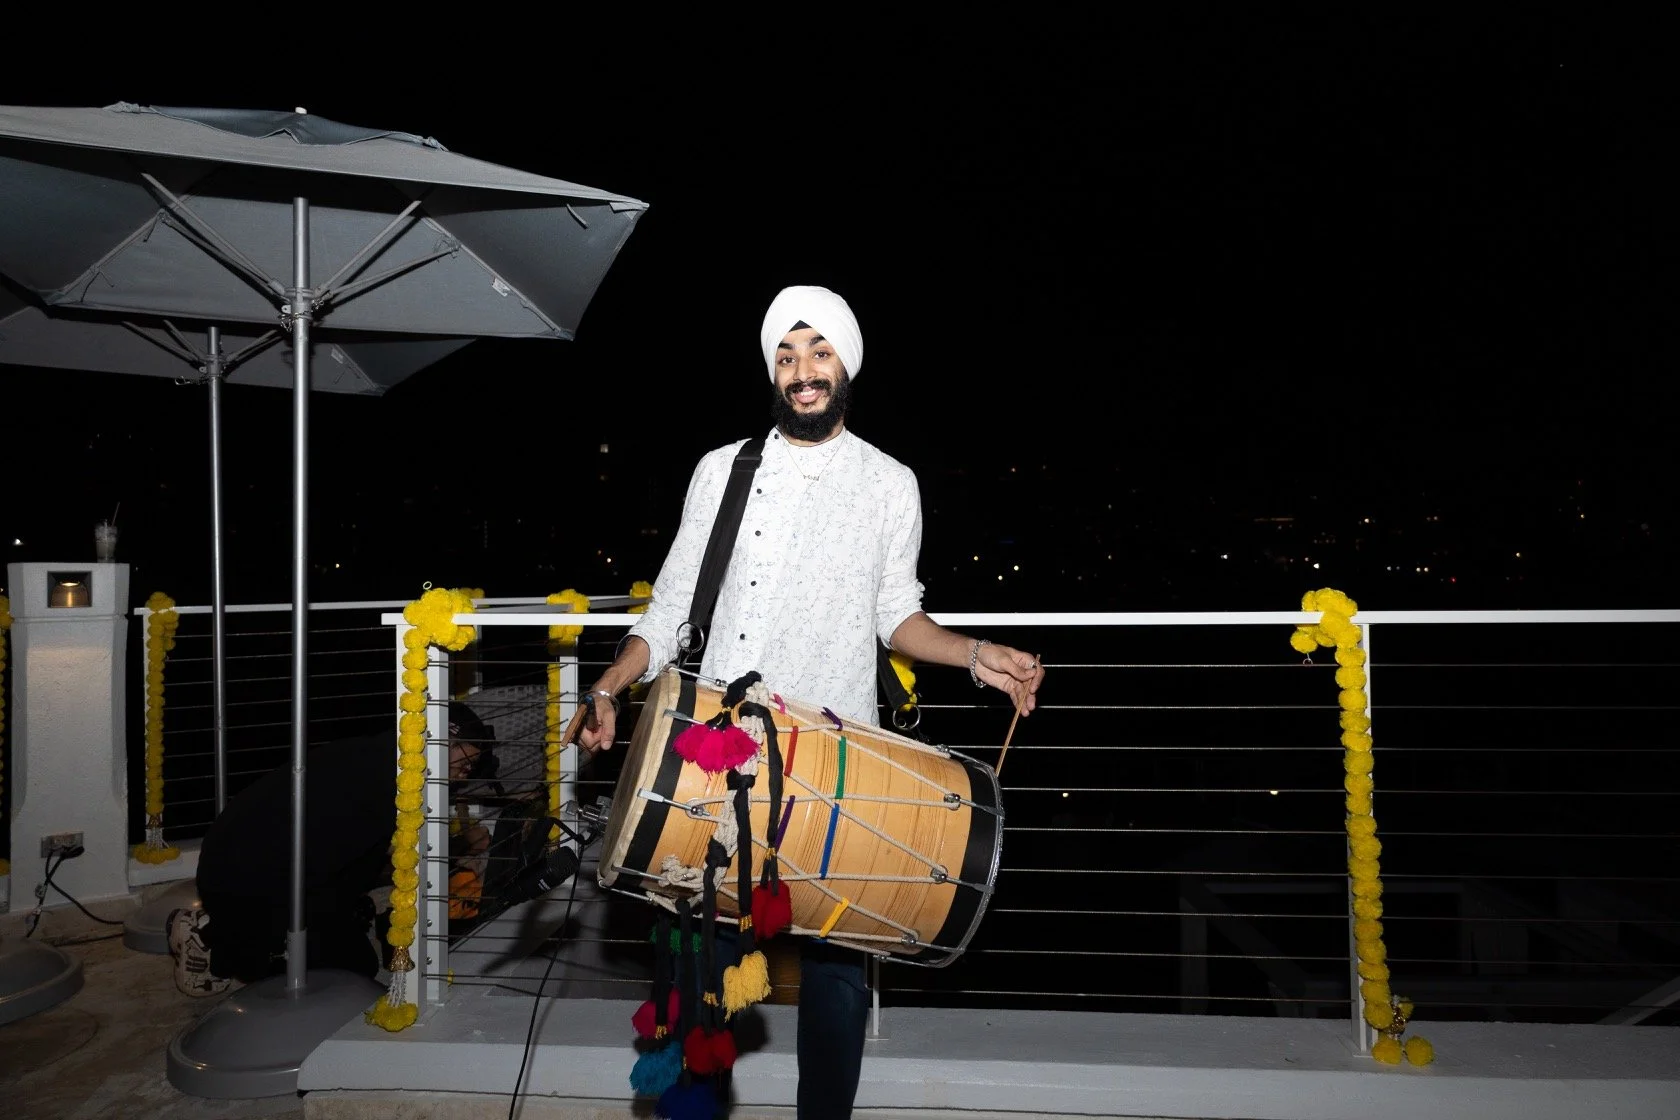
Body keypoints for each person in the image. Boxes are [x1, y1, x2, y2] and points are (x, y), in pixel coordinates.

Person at [576, 284, 1045, 1118]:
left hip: (839, 759)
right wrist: (610, 686)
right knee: (695, 971)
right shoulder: (724, 470)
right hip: (721, 752)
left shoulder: (890, 483)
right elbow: (671, 606)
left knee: (836, 978)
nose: (803, 373)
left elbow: (896, 616)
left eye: (819, 353)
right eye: (787, 357)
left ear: (846, 365)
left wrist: (977, 654)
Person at [168, 701, 507, 995]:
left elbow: (352, 859)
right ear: (443, 740)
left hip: (246, 859)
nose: (464, 776)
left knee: (351, 932)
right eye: (465, 764)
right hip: (242, 875)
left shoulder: (388, 757)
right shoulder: (386, 784)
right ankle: (211, 938)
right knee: (349, 971)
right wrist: (461, 845)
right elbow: (363, 865)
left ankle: (232, 927)